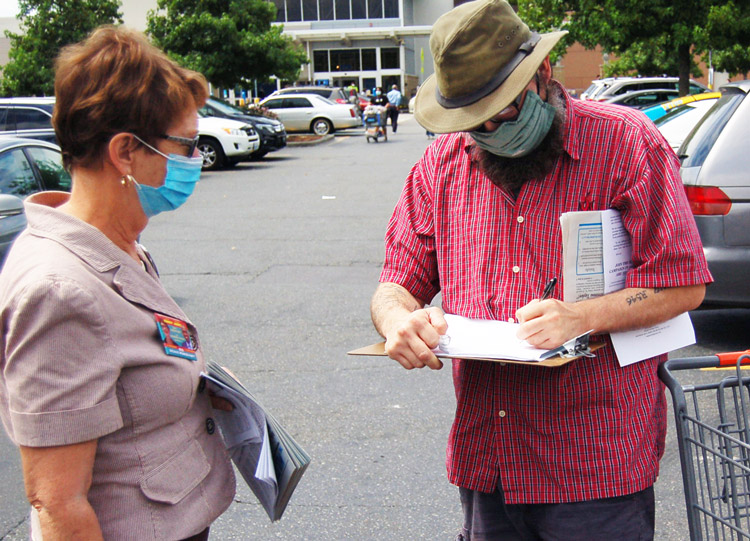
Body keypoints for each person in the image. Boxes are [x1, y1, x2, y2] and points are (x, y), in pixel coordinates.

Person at [369, 1, 713, 539]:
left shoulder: (627, 143)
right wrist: (397, 322)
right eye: (472, 121)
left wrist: (580, 317)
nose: (487, 129)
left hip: (596, 463)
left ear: (542, 74)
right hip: (489, 460)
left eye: (502, 110)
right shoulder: (441, 164)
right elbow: (396, 283)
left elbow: (682, 283)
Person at [0, 26, 235, 540]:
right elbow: (57, 503)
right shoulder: (59, 290)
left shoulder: (120, 246)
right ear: (126, 152)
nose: (195, 160)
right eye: (186, 145)